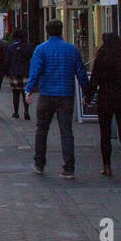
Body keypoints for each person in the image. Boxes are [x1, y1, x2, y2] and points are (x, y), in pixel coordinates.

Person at [26, 18, 90, 178]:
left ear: (47, 32)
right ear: (61, 30)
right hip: (66, 95)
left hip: (46, 93)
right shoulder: (72, 50)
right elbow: (81, 73)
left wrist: (29, 90)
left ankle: (39, 163)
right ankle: (69, 167)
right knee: (66, 131)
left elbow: (35, 71)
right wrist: (87, 93)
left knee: (41, 129)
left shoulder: (41, 49)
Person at [84, 33, 121, 181]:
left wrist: (88, 98)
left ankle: (107, 166)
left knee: (105, 133)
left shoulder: (102, 58)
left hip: (106, 100)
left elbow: (94, 80)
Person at [5, 31, 33, 120]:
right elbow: (31, 57)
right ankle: (26, 111)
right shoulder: (27, 47)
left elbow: (7, 60)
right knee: (26, 93)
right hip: (25, 72)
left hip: (13, 73)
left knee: (15, 93)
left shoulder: (10, 48)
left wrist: (6, 72)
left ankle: (16, 112)